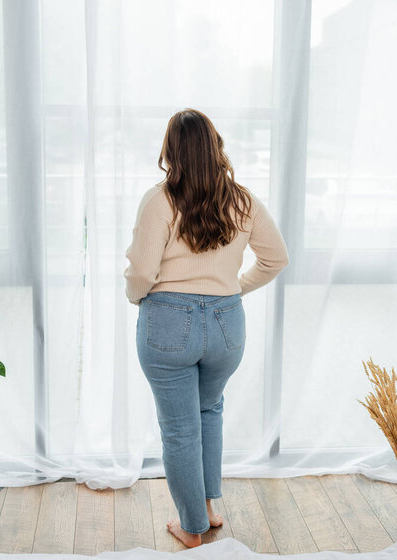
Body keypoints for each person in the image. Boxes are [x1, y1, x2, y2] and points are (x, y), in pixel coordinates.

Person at [123, 108, 289, 548]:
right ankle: (210, 509)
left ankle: (192, 528)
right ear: (216, 147)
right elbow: (276, 259)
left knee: (179, 428)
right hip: (226, 324)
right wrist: (233, 287)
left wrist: (137, 297)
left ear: (171, 151)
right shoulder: (243, 200)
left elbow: (141, 269)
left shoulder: (160, 200)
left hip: (168, 322)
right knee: (208, 410)